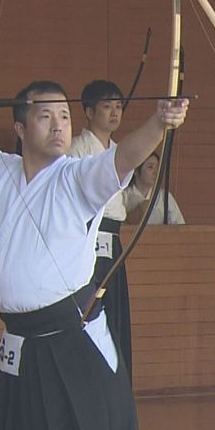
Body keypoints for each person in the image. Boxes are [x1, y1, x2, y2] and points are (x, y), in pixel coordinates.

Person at [0, 87, 189, 430]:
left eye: (64, 116)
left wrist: (160, 122)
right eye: (45, 116)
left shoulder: (76, 177)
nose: (58, 126)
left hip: (72, 338)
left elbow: (124, 156)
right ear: (20, 127)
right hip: (21, 344)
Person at [70, 80, 133, 375]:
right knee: (89, 308)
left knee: (114, 311)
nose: (114, 113)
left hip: (113, 239)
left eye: (118, 106)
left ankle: (115, 377)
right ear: (89, 111)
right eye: (107, 106)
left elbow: (121, 204)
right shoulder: (77, 148)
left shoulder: (120, 152)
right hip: (87, 237)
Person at [124, 151, 186, 225]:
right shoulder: (124, 195)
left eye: (157, 167)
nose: (156, 172)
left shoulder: (164, 197)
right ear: (136, 171)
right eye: (150, 167)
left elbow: (179, 226)